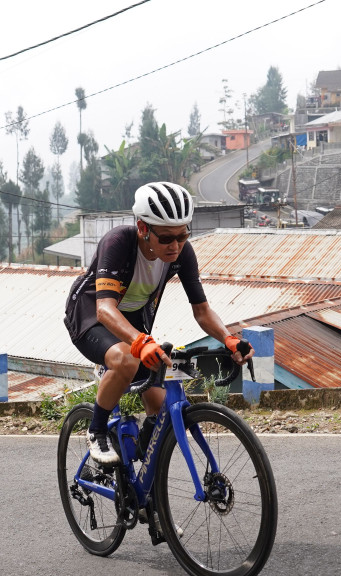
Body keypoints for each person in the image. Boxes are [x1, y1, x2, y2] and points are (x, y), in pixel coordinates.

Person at [63, 181, 248, 464]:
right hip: (91, 313)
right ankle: (97, 430)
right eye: (166, 238)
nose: (175, 245)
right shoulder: (118, 242)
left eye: (183, 235)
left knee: (162, 411)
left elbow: (202, 310)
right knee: (126, 359)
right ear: (142, 228)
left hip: (134, 320)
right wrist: (139, 341)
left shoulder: (182, 253)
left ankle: (141, 474)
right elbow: (105, 309)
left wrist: (229, 338)